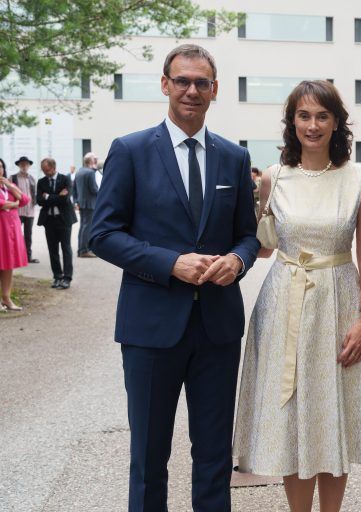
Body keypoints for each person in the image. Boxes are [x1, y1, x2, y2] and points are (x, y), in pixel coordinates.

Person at [89, 44, 260, 512]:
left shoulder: (234, 157)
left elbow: (248, 235)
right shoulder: (130, 150)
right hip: (150, 328)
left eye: (201, 83)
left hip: (217, 330)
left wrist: (238, 260)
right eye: (182, 81)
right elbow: (102, 234)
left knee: (214, 457)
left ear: (215, 90)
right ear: (165, 84)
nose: (191, 90)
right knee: (148, 458)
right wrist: (171, 263)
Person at [233, 80, 361, 512]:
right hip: (282, 303)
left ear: (337, 122)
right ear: (291, 122)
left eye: (322, 116)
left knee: (330, 415)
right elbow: (263, 244)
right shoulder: (273, 178)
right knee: (290, 419)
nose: (312, 125)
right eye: (303, 116)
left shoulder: (360, 179)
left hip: (338, 302)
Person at [37, 157, 77, 289]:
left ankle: (67, 278)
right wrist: (57, 196)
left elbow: (65, 200)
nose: (45, 173)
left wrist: (48, 196)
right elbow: (39, 201)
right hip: (49, 220)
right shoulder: (41, 182)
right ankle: (57, 276)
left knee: (66, 249)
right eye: (43, 170)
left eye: (47, 170)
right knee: (52, 250)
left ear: (54, 167)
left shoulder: (65, 179)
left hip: (64, 219)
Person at [0, 158, 30, 311]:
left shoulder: (7, 185)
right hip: (1, 228)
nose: (0, 170)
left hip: (11, 230)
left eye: (1, 167)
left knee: (8, 264)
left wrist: (10, 186)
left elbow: (24, 200)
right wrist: (13, 204)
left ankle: (6, 298)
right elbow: (2, 204)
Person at [10, 156, 38, 263]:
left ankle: (28, 257)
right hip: (17, 211)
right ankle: (13, 256)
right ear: (18, 165)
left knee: (28, 235)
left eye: (26, 164)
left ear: (29, 165)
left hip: (30, 211)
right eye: (22, 164)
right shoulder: (12, 178)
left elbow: (33, 194)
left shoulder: (32, 178)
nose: (24, 166)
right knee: (14, 234)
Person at [73, 152, 100, 257]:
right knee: (87, 227)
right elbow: (94, 189)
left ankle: (81, 249)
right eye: (94, 159)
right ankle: (84, 250)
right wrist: (103, 192)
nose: (96, 160)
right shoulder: (90, 173)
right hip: (90, 203)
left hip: (82, 203)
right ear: (91, 161)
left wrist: (76, 201)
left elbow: (74, 189)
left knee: (83, 227)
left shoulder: (79, 171)